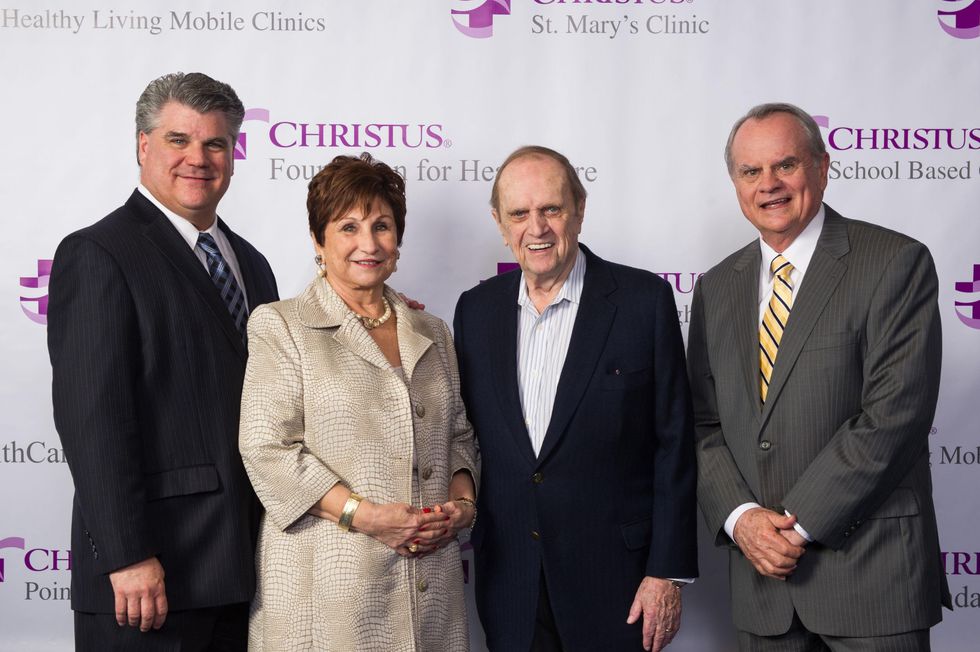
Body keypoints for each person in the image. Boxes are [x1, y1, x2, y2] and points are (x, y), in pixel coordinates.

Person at [688, 102, 951, 650]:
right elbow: (703, 424)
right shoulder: (716, 288)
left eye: (785, 165)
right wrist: (742, 521)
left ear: (822, 168)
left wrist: (793, 526)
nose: (769, 185)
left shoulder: (893, 262)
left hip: (872, 581)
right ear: (735, 183)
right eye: (750, 171)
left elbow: (893, 417)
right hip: (763, 588)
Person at [47, 72, 279, 650]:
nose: (198, 158)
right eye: (179, 140)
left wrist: (375, 317)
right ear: (143, 146)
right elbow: (92, 420)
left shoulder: (252, 263)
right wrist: (127, 556)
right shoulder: (98, 254)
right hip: (149, 580)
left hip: (245, 571)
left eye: (215, 143)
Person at [453, 145, 698, 652]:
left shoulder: (642, 301)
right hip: (511, 583)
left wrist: (666, 573)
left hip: (619, 585)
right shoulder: (475, 313)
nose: (536, 227)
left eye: (551, 209)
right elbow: (463, 432)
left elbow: (675, 443)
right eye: (519, 213)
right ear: (500, 224)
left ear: (579, 211)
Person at [239, 152, 480, 651]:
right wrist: (363, 515)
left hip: (431, 588)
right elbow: (267, 449)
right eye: (348, 227)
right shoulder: (281, 326)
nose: (368, 244)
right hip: (326, 595)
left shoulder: (433, 331)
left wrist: (462, 506)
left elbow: (458, 434)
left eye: (382, 226)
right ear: (318, 240)